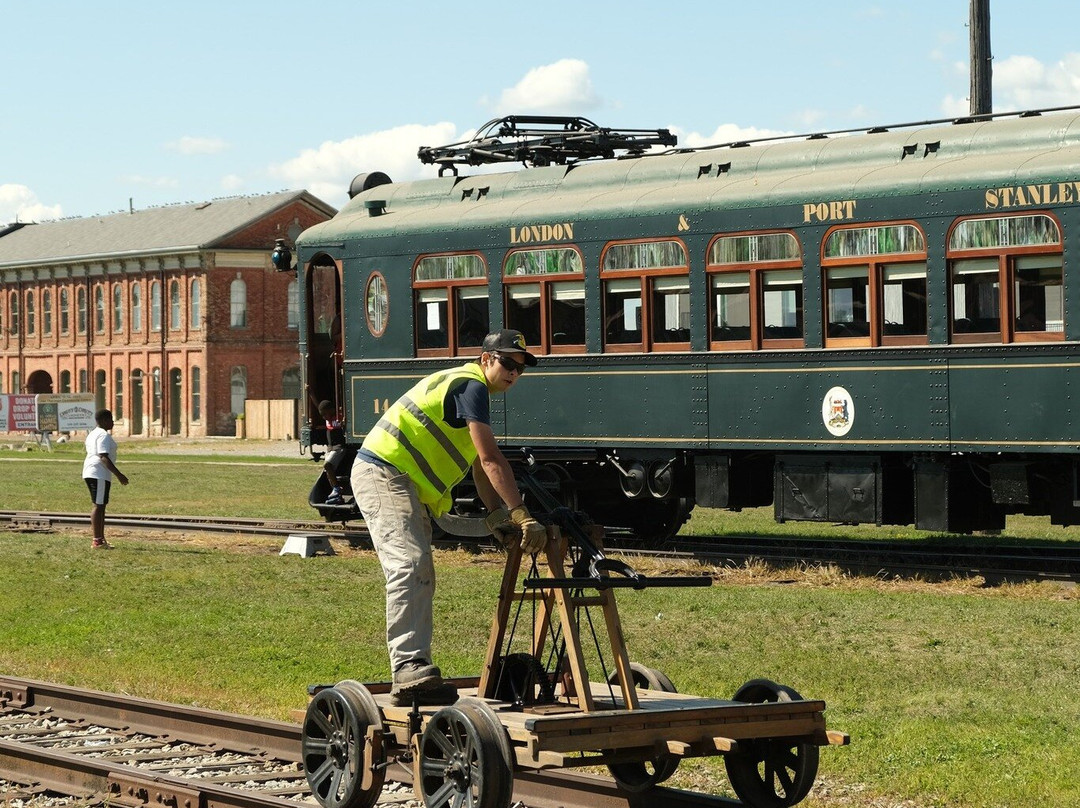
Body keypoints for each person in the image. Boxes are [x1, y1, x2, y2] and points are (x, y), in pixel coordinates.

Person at [350, 329, 548, 706]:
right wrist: (521, 516)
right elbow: (491, 461)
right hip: (384, 471)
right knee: (410, 565)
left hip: (399, 478)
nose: (513, 373)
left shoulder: (472, 390)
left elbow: (478, 468)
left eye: (521, 368)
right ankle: (408, 667)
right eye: (508, 363)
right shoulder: (471, 386)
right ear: (486, 359)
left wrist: (496, 515)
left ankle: (415, 670)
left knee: (420, 568)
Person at [82, 409, 129, 550]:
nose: (113, 422)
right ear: (103, 421)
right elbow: (103, 457)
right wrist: (119, 475)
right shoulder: (103, 435)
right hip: (99, 473)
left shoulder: (93, 433)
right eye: (111, 420)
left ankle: (101, 539)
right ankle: (97, 541)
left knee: (100, 505)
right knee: (98, 505)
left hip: (92, 471)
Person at [318, 399, 348, 505]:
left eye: (325, 414)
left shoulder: (338, 417)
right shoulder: (327, 419)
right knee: (328, 470)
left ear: (331, 410)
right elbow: (317, 404)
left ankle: (336, 489)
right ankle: (336, 495)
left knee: (327, 465)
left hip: (339, 448)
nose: (324, 417)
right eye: (322, 415)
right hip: (331, 448)